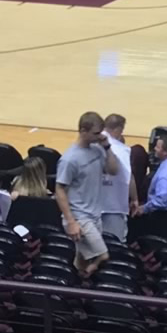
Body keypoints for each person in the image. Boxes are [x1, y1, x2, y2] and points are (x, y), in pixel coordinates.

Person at [55, 111, 119, 278]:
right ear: (83, 131)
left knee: (82, 258)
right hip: (80, 216)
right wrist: (70, 221)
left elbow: (113, 170)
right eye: (96, 133)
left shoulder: (97, 150)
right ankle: (85, 278)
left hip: (95, 213)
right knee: (102, 255)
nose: (100, 136)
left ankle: (76, 283)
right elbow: (60, 189)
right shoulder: (69, 159)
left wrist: (107, 147)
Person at [99, 114, 137, 240]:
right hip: (112, 206)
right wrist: (134, 199)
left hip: (90, 205)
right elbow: (128, 177)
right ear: (118, 129)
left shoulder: (89, 143)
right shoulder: (121, 149)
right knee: (114, 245)